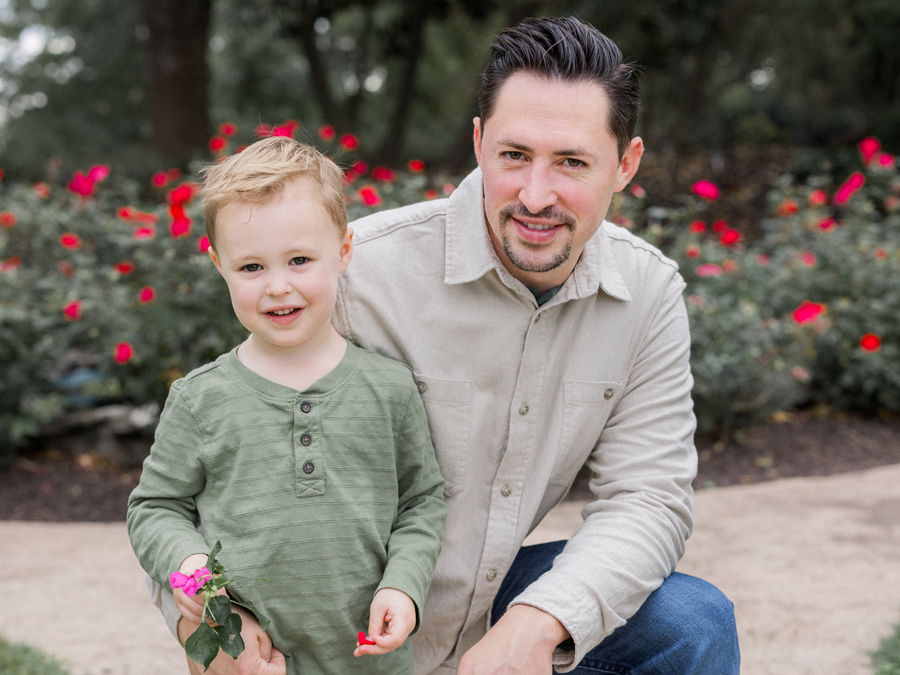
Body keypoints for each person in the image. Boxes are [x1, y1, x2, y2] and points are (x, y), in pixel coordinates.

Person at [150, 15, 740, 675]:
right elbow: (209, 483)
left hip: (501, 608)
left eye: (572, 162)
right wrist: (203, 619)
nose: (536, 195)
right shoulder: (351, 275)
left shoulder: (647, 293)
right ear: (480, 142)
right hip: (349, 630)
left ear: (625, 164)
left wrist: (539, 622)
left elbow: (648, 497)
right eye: (514, 156)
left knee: (692, 625)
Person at [126, 137, 448, 674]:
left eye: (300, 260)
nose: (278, 287)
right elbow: (154, 509)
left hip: (368, 658)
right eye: (251, 267)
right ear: (218, 265)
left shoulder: (389, 389)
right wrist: (190, 574)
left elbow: (422, 502)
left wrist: (404, 586)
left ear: (343, 251)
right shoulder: (200, 398)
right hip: (250, 659)